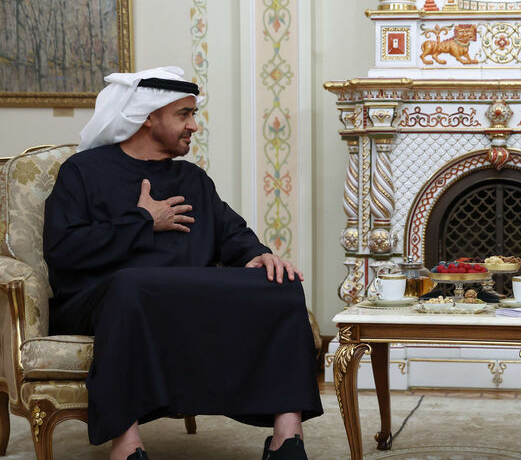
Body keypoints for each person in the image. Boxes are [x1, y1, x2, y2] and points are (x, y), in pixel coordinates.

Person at [43, 66, 322, 460]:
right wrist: (143, 221)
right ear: (147, 117)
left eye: (193, 114)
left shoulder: (192, 178)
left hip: (185, 292)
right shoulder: (83, 172)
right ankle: (126, 445)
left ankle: (287, 440)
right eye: (184, 114)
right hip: (104, 300)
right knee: (131, 284)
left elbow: (230, 232)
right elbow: (62, 248)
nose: (193, 125)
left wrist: (257, 254)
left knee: (283, 282)